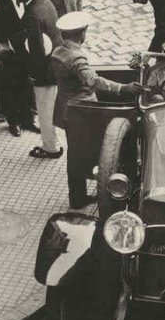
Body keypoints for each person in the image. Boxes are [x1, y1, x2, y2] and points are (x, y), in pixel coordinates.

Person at [49, 12, 139, 208]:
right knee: (87, 154)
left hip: (65, 108)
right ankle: (81, 198)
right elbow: (93, 81)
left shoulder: (58, 52)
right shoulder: (76, 57)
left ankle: (77, 196)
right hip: (82, 112)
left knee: (74, 155)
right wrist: (123, 88)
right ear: (82, 33)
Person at [0, 0, 37, 137]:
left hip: (25, 49)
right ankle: (13, 122)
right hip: (9, 50)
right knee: (10, 86)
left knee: (26, 84)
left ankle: (28, 119)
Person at [20, 0, 64, 158]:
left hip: (43, 71)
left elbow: (37, 50)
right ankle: (54, 141)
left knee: (45, 110)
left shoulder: (31, 15)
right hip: (54, 63)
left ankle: (50, 148)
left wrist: (33, 74)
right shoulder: (45, 2)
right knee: (51, 107)